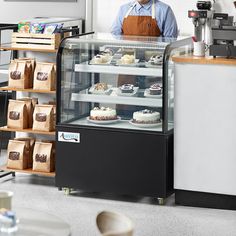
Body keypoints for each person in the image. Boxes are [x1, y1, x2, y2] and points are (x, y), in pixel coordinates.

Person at [111, 0, 178, 38]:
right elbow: (115, 35)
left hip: (155, 59)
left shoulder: (165, 10)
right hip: (127, 58)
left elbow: (170, 40)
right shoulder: (123, 9)